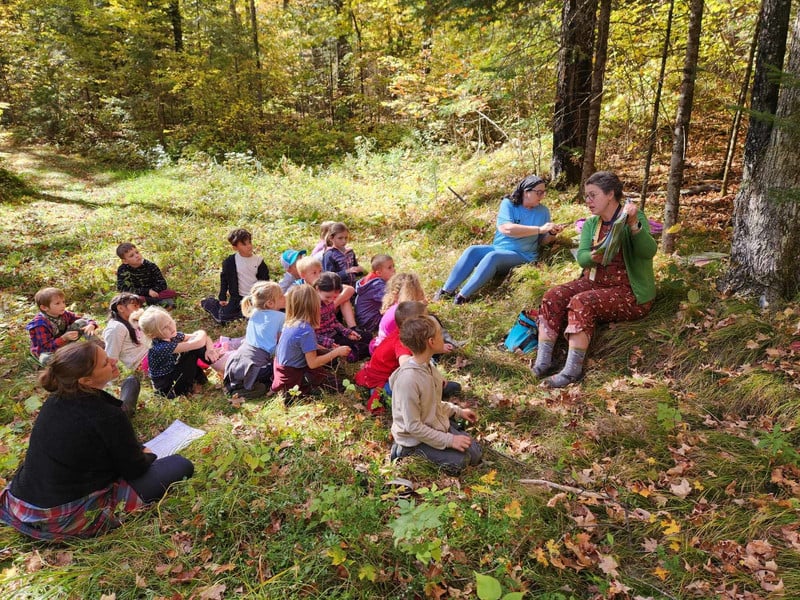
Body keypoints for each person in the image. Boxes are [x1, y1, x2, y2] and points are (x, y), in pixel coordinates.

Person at [0, 342, 193, 540]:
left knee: (130, 385)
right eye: (104, 363)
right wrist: (148, 454)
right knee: (180, 464)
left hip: (22, 502)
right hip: (64, 517)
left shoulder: (55, 401)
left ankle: (129, 393)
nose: (112, 361)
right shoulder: (107, 417)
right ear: (85, 380)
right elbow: (134, 469)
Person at [533, 171, 657, 388]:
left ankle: (572, 371)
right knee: (553, 296)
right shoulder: (592, 224)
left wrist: (634, 225)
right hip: (595, 281)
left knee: (581, 302)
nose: (588, 201)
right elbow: (582, 258)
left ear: (610, 194)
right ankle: (543, 362)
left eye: (593, 195)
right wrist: (592, 256)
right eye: (586, 196)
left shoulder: (634, 217)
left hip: (629, 291)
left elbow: (648, 252)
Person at [433, 175, 563, 304]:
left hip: (523, 254)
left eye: (544, 192)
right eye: (538, 192)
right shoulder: (509, 204)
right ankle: (446, 291)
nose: (542, 196)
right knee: (472, 250)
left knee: (493, 257)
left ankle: (462, 297)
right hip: (499, 248)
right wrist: (540, 229)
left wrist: (551, 233)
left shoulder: (543, 211)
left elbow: (541, 241)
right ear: (526, 191)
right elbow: (507, 229)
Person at [389, 316, 482, 474]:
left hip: (432, 425)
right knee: (461, 462)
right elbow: (413, 426)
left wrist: (458, 411)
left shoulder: (429, 366)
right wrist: (450, 440)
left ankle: (448, 433)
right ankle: (402, 451)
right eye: (440, 334)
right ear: (431, 342)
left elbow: (433, 404)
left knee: (475, 454)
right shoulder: (408, 381)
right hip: (414, 439)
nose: (443, 337)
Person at [271, 284, 351, 402]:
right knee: (339, 386)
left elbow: (301, 346)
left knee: (328, 371)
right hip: (294, 378)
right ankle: (300, 394)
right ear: (313, 306)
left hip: (282, 371)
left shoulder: (291, 322)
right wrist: (336, 352)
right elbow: (313, 363)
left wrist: (325, 349)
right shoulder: (305, 330)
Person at [137, 306, 221, 398]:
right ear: (153, 335)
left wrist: (210, 350)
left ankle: (214, 368)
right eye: (165, 327)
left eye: (170, 322)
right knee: (192, 350)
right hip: (167, 387)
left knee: (194, 348)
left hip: (175, 373)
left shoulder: (173, 336)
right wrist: (202, 336)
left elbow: (203, 337)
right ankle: (219, 367)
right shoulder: (160, 347)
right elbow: (198, 341)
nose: (171, 327)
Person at [224, 281, 286, 399]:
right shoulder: (280, 317)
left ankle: (238, 384)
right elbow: (281, 343)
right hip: (255, 366)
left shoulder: (255, 312)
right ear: (270, 303)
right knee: (277, 370)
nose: (285, 297)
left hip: (236, 360)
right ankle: (244, 391)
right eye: (281, 296)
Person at [201, 228, 270, 325]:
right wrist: (222, 297)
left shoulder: (258, 261)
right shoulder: (230, 262)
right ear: (235, 247)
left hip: (253, 297)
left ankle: (243, 313)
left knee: (254, 317)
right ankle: (212, 304)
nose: (249, 246)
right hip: (237, 297)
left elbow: (264, 282)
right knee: (223, 318)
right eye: (244, 244)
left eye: (249, 242)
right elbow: (224, 279)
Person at [26, 287, 97, 366]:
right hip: (48, 351)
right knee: (46, 359)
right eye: (58, 303)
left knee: (82, 322)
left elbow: (84, 319)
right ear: (44, 307)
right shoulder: (39, 324)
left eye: (63, 302)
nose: (63, 305)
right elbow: (45, 347)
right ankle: (70, 364)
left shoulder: (64, 314)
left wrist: (91, 324)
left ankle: (99, 348)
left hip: (65, 343)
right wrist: (63, 338)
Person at [313, 272, 371, 362]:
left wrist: (347, 332)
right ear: (317, 289)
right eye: (327, 297)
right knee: (351, 348)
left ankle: (357, 350)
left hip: (335, 334)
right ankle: (351, 354)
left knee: (367, 336)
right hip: (323, 340)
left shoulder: (328, 301)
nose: (331, 300)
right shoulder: (311, 306)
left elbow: (334, 322)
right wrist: (330, 343)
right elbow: (311, 335)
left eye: (334, 297)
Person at [297, 255, 357, 328]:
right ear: (303, 276)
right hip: (318, 321)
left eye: (320, 271)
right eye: (314, 273)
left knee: (344, 298)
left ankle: (353, 327)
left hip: (332, 314)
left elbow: (350, 289)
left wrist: (333, 305)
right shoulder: (301, 289)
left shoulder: (324, 281)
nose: (319, 275)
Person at [115, 243, 176, 308]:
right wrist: (147, 292)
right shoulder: (123, 270)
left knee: (169, 296)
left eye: (137, 252)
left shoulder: (150, 266)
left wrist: (153, 291)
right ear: (125, 261)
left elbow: (162, 284)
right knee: (128, 300)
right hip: (138, 295)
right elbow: (122, 288)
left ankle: (149, 301)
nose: (137, 256)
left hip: (155, 293)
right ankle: (150, 302)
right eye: (131, 256)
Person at [104, 293, 148, 372]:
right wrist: (110, 379)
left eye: (139, 306)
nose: (139, 309)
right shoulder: (116, 328)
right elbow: (111, 356)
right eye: (135, 306)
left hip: (151, 354)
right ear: (120, 308)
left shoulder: (133, 321)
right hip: (142, 363)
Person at [355, 254, 396, 333]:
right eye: (389, 267)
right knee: (398, 311)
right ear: (379, 273)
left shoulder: (373, 280)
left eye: (393, 266)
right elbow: (391, 300)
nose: (394, 269)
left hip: (367, 319)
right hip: (371, 321)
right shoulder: (376, 285)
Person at [322, 222, 365, 287]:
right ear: (331, 238)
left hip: (354, 286)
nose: (344, 241)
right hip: (338, 289)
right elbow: (329, 277)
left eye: (346, 238)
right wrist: (346, 272)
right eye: (340, 238)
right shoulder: (329, 255)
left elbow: (355, 269)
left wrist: (359, 270)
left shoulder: (350, 252)